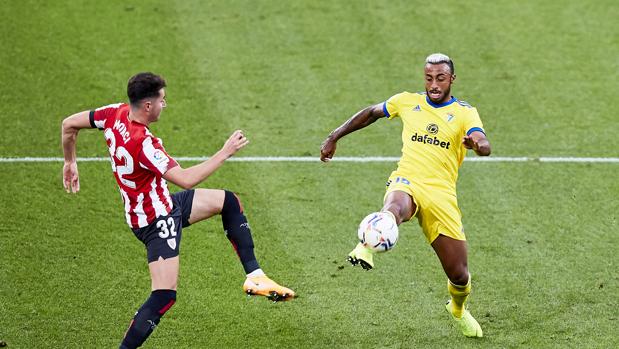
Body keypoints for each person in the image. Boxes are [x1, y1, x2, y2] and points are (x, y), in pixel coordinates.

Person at [61, 72, 295, 349]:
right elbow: (185, 179)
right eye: (162, 100)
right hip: (156, 221)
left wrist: (70, 161)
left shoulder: (114, 113)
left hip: (162, 204)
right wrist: (225, 152)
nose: (165, 105)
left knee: (228, 201)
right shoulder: (144, 144)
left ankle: (255, 277)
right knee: (164, 295)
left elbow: (68, 125)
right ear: (148, 105)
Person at [320, 53, 490, 338]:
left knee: (459, 275)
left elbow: (484, 143)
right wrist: (334, 136)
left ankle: (458, 308)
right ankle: (366, 246)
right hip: (407, 178)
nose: (433, 84)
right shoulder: (407, 101)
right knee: (395, 208)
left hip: (441, 194)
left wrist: (477, 144)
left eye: (440, 78)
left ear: (452, 80)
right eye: (429, 78)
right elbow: (372, 112)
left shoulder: (464, 112)